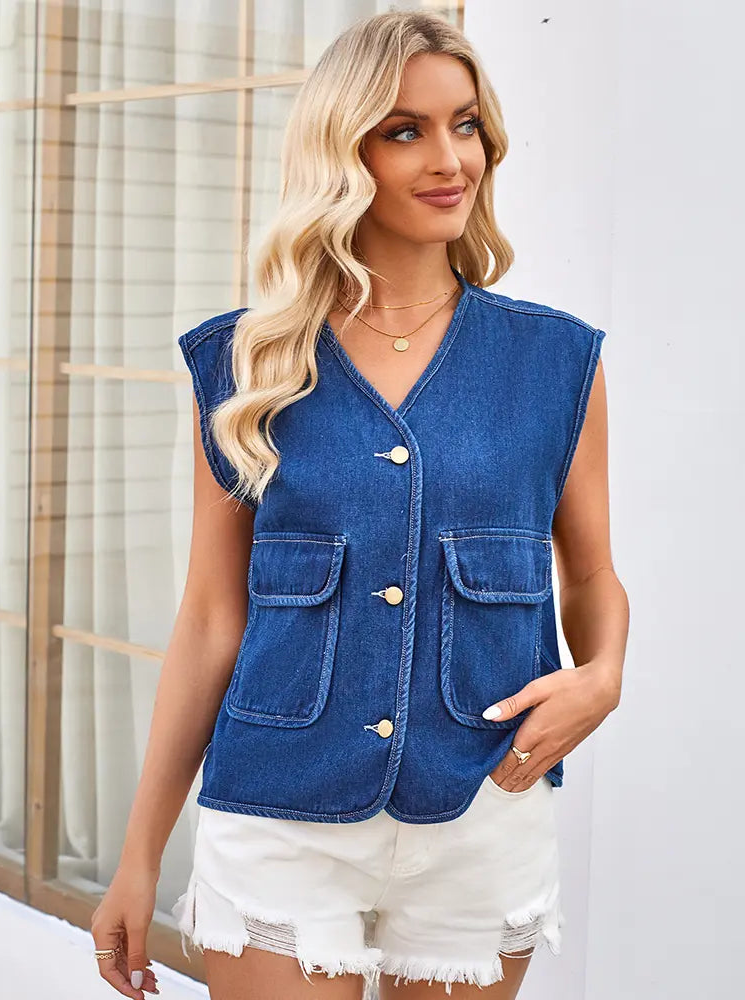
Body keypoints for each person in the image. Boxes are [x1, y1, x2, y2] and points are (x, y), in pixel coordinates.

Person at [91, 10, 628, 1000]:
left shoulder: (557, 361)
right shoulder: (247, 364)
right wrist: (138, 854)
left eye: (466, 125)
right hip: (278, 814)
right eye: (405, 130)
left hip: (481, 809)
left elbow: (591, 572)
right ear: (343, 153)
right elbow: (210, 617)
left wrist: (604, 677)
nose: (450, 159)